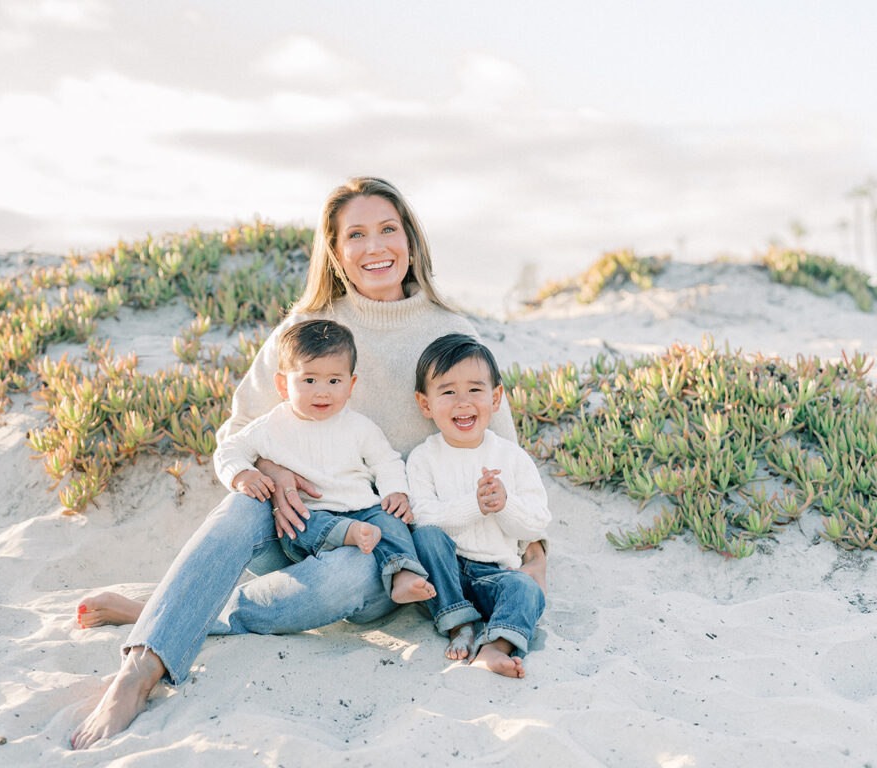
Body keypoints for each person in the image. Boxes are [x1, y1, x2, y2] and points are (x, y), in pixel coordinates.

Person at [70, 177, 548, 749]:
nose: (376, 247)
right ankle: (140, 669)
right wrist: (270, 474)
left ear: (412, 242)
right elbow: (238, 432)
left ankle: (176, 608)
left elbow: (505, 457)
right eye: (357, 234)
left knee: (347, 573)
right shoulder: (307, 330)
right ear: (336, 251)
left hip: (383, 549)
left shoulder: (453, 336)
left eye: (388, 229)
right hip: (291, 523)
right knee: (239, 505)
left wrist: (534, 560)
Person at [216, 318, 434, 603]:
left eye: (334, 381)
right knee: (296, 528)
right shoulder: (273, 425)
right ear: (283, 385)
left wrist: (395, 491)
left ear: (351, 384)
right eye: (309, 380)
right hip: (311, 513)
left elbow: (386, 461)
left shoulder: (359, 426)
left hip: (361, 510)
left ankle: (403, 574)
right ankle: (346, 534)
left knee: (390, 523)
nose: (322, 391)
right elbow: (229, 450)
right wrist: (242, 474)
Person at [407, 334, 551, 679]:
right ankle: (460, 623)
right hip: (445, 576)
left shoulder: (512, 459)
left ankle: (495, 646)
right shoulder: (423, 458)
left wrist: (504, 504)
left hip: (495, 574)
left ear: (495, 397)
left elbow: (536, 523)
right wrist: (475, 505)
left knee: (527, 590)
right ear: (425, 404)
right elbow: (423, 518)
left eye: (475, 390)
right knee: (426, 538)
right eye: (447, 392)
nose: (463, 402)